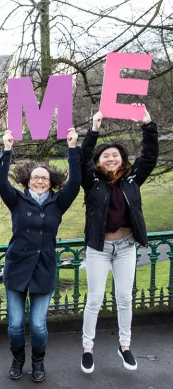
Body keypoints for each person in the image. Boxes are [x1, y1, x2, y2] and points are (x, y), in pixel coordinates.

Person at [0, 128, 81, 382]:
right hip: (17, 268)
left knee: (37, 326)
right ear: (27, 180)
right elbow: (1, 182)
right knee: (14, 325)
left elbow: (75, 182)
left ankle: (38, 362)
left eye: (44, 177)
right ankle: (17, 358)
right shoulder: (17, 201)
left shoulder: (58, 202)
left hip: (43, 269)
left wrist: (72, 148)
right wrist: (7, 150)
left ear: (51, 181)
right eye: (35, 177)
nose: (40, 181)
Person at [79, 106, 158, 374]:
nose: (110, 158)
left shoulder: (132, 179)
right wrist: (93, 130)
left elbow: (149, 158)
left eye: (115, 155)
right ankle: (87, 348)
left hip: (125, 247)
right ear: (98, 160)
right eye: (105, 155)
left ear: (122, 159)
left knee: (125, 298)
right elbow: (81, 161)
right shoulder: (91, 180)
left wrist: (148, 125)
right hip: (99, 249)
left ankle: (124, 346)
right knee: (95, 299)